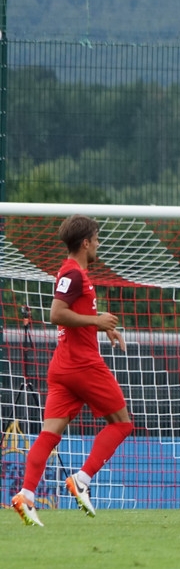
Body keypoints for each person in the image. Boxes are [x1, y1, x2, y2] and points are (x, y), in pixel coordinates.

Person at [10, 214, 135, 527]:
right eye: (96, 239)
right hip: (82, 365)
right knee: (122, 424)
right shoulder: (73, 272)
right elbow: (56, 313)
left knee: (50, 434)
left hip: (62, 366)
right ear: (86, 242)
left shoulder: (73, 272)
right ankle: (81, 480)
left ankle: (26, 495)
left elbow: (74, 312)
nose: (98, 244)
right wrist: (96, 322)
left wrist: (101, 326)